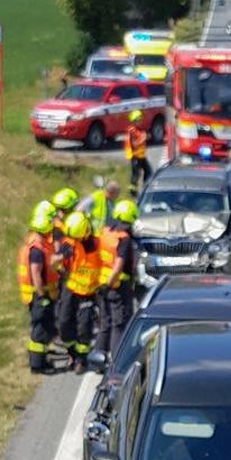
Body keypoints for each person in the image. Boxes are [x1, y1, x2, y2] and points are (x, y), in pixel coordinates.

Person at [16, 201, 60, 374]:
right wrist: (42, 297)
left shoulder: (37, 244)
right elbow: (36, 274)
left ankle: (41, 358)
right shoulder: (36, 250)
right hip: (39, 296)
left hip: (39, 294)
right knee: (39, 331)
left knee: (43, 328)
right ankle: (37, 365)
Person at [56, 211, 100, 373]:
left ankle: (81, 359)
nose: (76, 242)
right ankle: (72, 353)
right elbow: (59, 263)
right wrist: (60, 268)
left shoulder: (99, 244)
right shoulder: (69, 243)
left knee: (84, 326)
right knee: (64, 322)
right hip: (71, 290)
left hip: (89, 293)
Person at [96, 199, 139, 358]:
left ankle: (98, 357)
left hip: (101, 283)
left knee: (104, 323)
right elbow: (119, 265)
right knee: (118, 324)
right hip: (117, 286)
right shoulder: (124, 239)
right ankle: (117, 359)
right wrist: (109, 283)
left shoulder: (106, 232)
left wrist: (103, 284)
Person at [123, 109, 153, 192]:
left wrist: (146, 137)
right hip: (135, 156)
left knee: (148, 171)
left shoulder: (138, 129)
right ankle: (133, 191)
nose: (140, 121)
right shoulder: (132, 131)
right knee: (136, 174)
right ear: (134, 120)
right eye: (139, 119)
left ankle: (145, 187)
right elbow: (134, 144)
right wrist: (143, 139)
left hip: (141, 156)